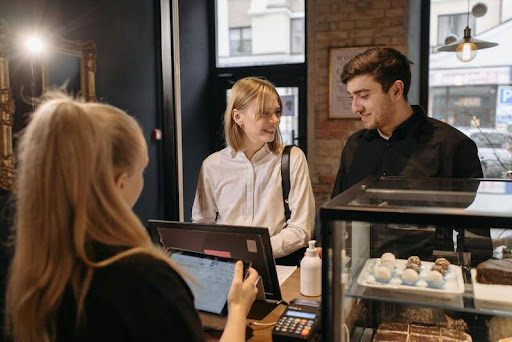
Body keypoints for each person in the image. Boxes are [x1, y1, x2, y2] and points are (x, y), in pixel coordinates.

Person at [4, 95, 258, 342]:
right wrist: (237, 308)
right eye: (142, 170)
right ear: (119, 182)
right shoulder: (145, 281)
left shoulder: (34, 273)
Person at [330, 47, 490, 265]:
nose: (355, 107)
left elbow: (475, 233)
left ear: (396, 91)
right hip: (360, 273)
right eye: (352, 97)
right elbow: (337, 210)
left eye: (364, 96)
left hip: (427, 278)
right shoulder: (354, 145)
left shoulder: (452, 146)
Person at [192, 77, 315, 261]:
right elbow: (203, 225)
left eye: (277, 112)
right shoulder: (212, 165)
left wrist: (254, 251)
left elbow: (301, 229)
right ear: (238, 117)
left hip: (278, 265)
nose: (275, 120)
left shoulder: (292, 158)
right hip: (227, 267)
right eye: (265, 113)